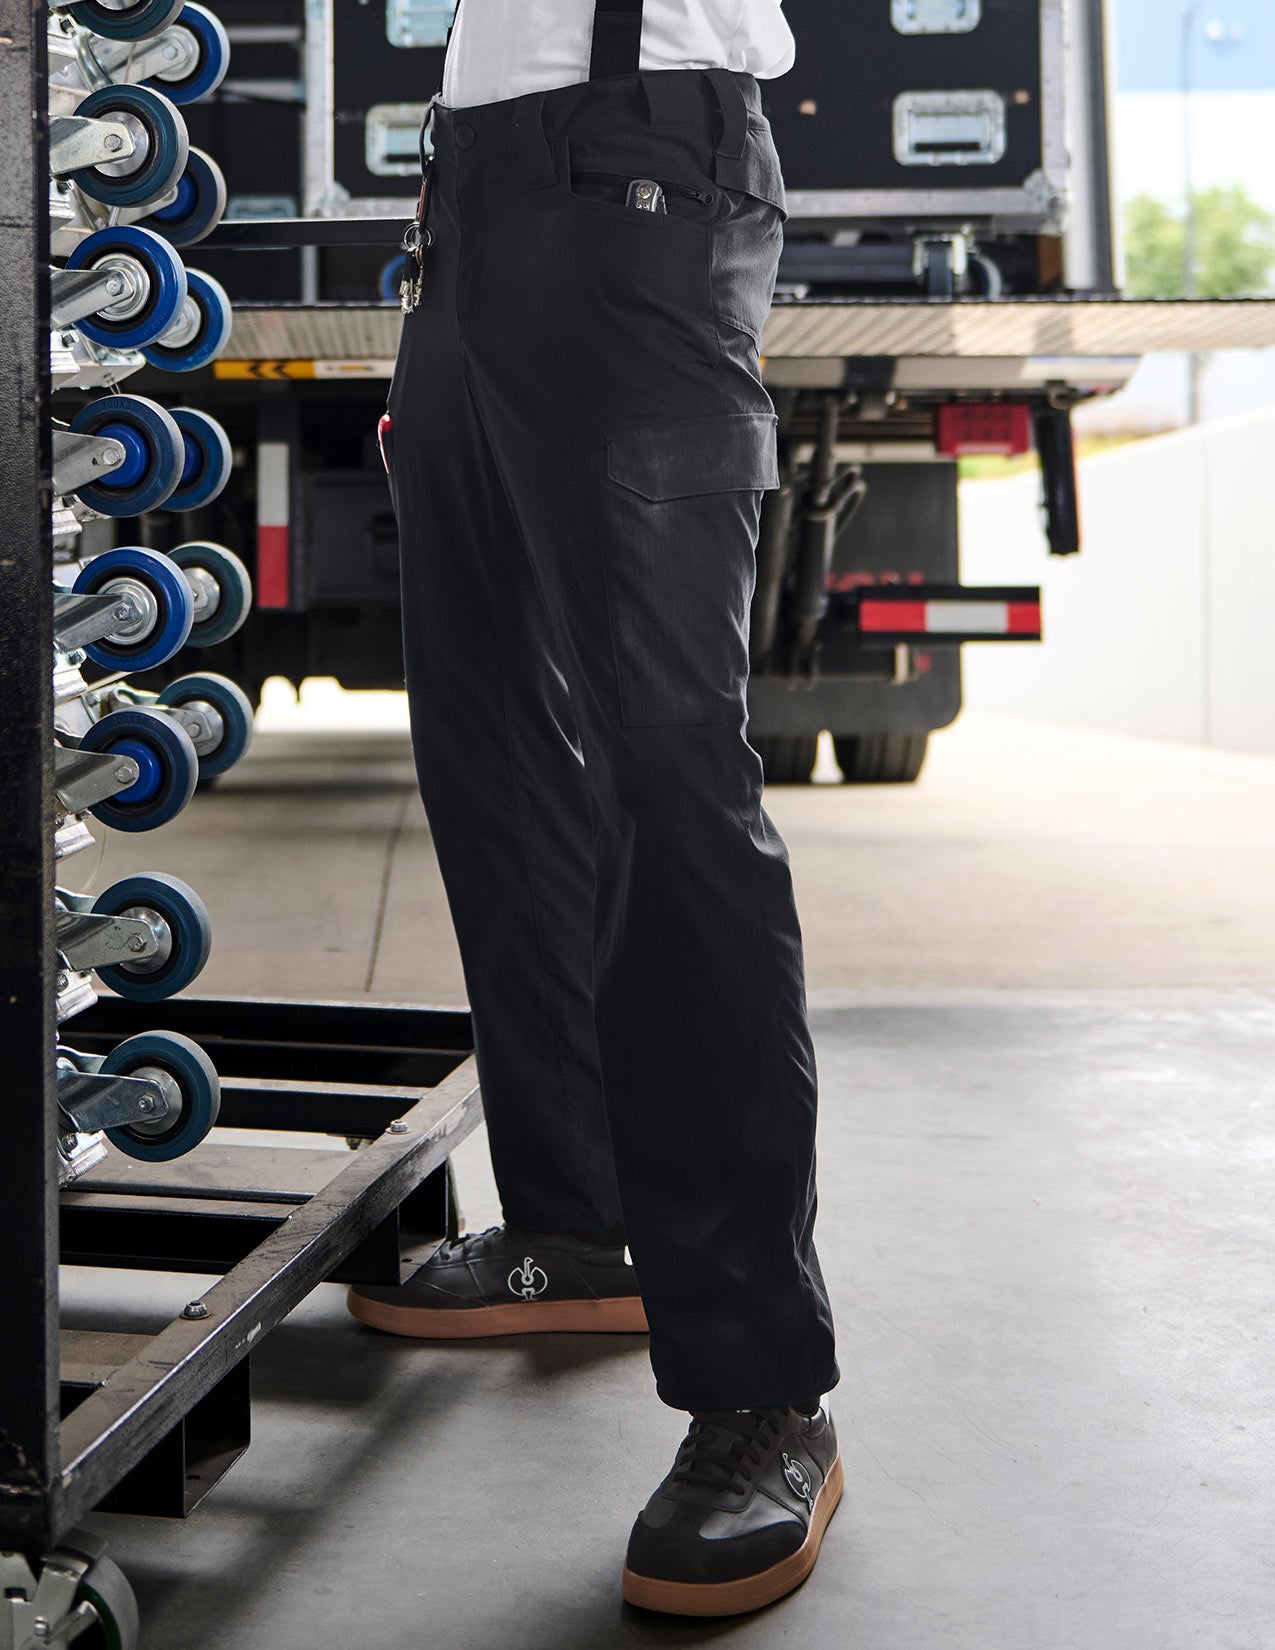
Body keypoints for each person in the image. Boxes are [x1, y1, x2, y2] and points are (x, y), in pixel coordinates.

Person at [348, 0, 840, 1616]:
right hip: (477, 195)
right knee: (487, 737)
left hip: (643, 181)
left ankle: (764, 1388)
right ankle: (586, 1221)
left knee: (664, 772)